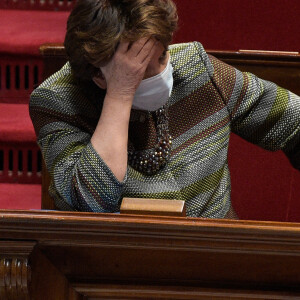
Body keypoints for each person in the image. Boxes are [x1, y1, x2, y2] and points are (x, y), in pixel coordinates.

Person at [29, 0, 300, 219]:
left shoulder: (196, 68)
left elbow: (293, 120)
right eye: (139, 70)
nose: (162, 71)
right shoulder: (57, 102)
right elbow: (91, 203)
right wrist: (121, 94)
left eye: (161, 56)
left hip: (217, 259)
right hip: (113, 270)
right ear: (99, 76)